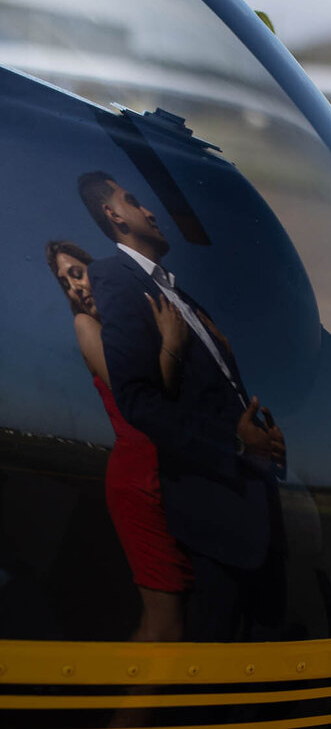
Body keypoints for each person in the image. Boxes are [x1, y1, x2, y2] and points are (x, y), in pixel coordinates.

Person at [76, 171, 287, 642]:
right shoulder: (114, 277)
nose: (150, 210)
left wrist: (260, 439)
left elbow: (219, 391)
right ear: (114, 216)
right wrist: (235, 442)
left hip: (248, 497)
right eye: (134, 201)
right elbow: (138, 400)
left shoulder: (177, 293)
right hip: (213, 508)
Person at [45, 240, 192, 642]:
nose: (74, 288)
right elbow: (138, 401)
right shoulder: (86, 326)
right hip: (139, 484)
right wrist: (172, 348)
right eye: (64, 284)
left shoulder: (129, 320)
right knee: (164, 624)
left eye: (77, 273)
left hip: (172, 475)